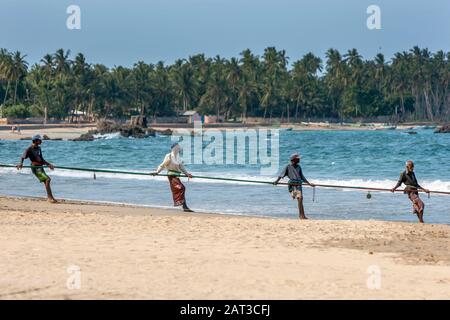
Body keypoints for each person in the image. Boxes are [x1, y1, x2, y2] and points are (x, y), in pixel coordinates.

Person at [151, 143, 194, 212]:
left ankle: (184, 206)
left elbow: (181, 167)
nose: (178, 149)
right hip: (171, 175)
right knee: (181, 188)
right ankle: (184, 206)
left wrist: (187, 174)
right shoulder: (169, 156)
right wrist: (157, 172)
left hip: (176, 175)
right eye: (177, 148)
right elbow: (163, 165)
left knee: (181, 188)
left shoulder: (178, 157)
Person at [16, 134, 57, 203]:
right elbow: (23, 156)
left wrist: (49, 164)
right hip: (35, 167)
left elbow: (41, 158)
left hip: (40, 167)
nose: (41, 141)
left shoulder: (39, 148)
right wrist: (21, 163)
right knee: (47, 179)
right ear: (35, 141)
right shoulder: (29, 148)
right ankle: (49, 198)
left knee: (46, 181)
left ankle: (50, 197)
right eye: (39, 140)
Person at [274, 153, 315, 219]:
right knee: (299, 199)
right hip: (293, 185)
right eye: (298, 158)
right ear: (294, 159)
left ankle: (302, 215)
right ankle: (301, 216)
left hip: (299, 184)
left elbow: (302, 177)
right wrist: (276, 181)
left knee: (300, 199)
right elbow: (281, 175)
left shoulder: (299, 167)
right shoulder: (288, 166)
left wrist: (309, 184)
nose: (299, 159)